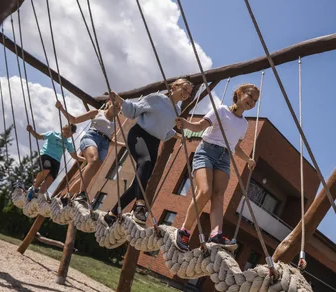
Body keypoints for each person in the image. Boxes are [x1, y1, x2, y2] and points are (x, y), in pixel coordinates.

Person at [173, 83, 259, 251]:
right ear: (240, 93)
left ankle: (216, 234)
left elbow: (236, 147)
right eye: (250, 96)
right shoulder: (221, 110)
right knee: (205, 191)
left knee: (218, 196)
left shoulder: (244, 125)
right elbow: (199, 127)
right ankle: (185, 230)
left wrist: (248, 159)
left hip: (225, 158)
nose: (253, 102)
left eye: (256, 100)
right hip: (206, 152)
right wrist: (186, 123)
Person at [102, 78, 194, 226]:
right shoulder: (157, 98)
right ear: (174, 86)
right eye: (184, 88)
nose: (186, 93)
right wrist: (120, 100)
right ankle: (140, 205)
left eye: (189, 93)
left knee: (139, 183)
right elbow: (134, 110)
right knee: (145, 162)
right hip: (139, 135)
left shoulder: (177, 111)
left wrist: (176, 135)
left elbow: (162, 130)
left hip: (154, 142)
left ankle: (112, 214)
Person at [55, 99, 126, 206]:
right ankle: (82, 193)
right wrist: (61, 108)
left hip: (104, 145)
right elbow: (74, 120)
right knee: (93, 160)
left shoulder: (114, 124)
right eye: (116, 105)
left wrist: (124, 145)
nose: (117, 108)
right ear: (109, 104)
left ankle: (66, 197)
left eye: (119, 108)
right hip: (92, 137)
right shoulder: (97, 113)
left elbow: (110, 140)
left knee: (89, 174)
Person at [25, 123, 84, 201]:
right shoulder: (53, 134)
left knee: (50, 179)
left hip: (56, 161)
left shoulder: (68, 143)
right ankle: (34, 188)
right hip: (46, 155)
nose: (67, 135)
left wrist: (85, 159)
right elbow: (38, 136)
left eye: (70, 134)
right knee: (46, 169)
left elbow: (74, 156)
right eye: (67, 132)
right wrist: (31, 131)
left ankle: (39, 195)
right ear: (63, 128)